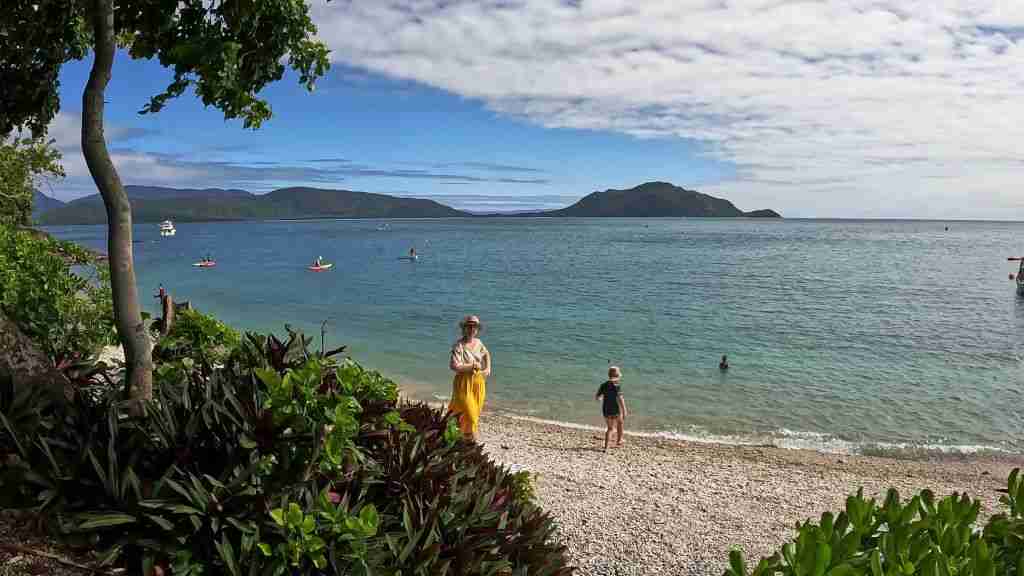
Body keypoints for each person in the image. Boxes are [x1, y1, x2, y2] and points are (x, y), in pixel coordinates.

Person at [448, 315, 491, 441]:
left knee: (475, 413)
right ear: (464, 328)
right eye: (469, 326)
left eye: (474, 327)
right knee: (469, 413)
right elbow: (454, 366)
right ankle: (473, 440)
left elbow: (486, 354)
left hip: (478, 382)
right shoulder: (458, 346)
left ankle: (465, 439)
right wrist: (471, 366)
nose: (472, 329)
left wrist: (488, 369)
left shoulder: (479, 343)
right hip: (463, 383)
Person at [595, 366, 626, 451]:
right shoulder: (617, 385)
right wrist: (624, 410)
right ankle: (619, 440)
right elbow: (620, 398)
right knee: (620, 422)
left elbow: (597, 397)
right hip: (615, 409)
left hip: (606, 409)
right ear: (617, 376)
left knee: (610, 428)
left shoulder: (603, 385)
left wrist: (600, 399)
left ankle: (606, 447)